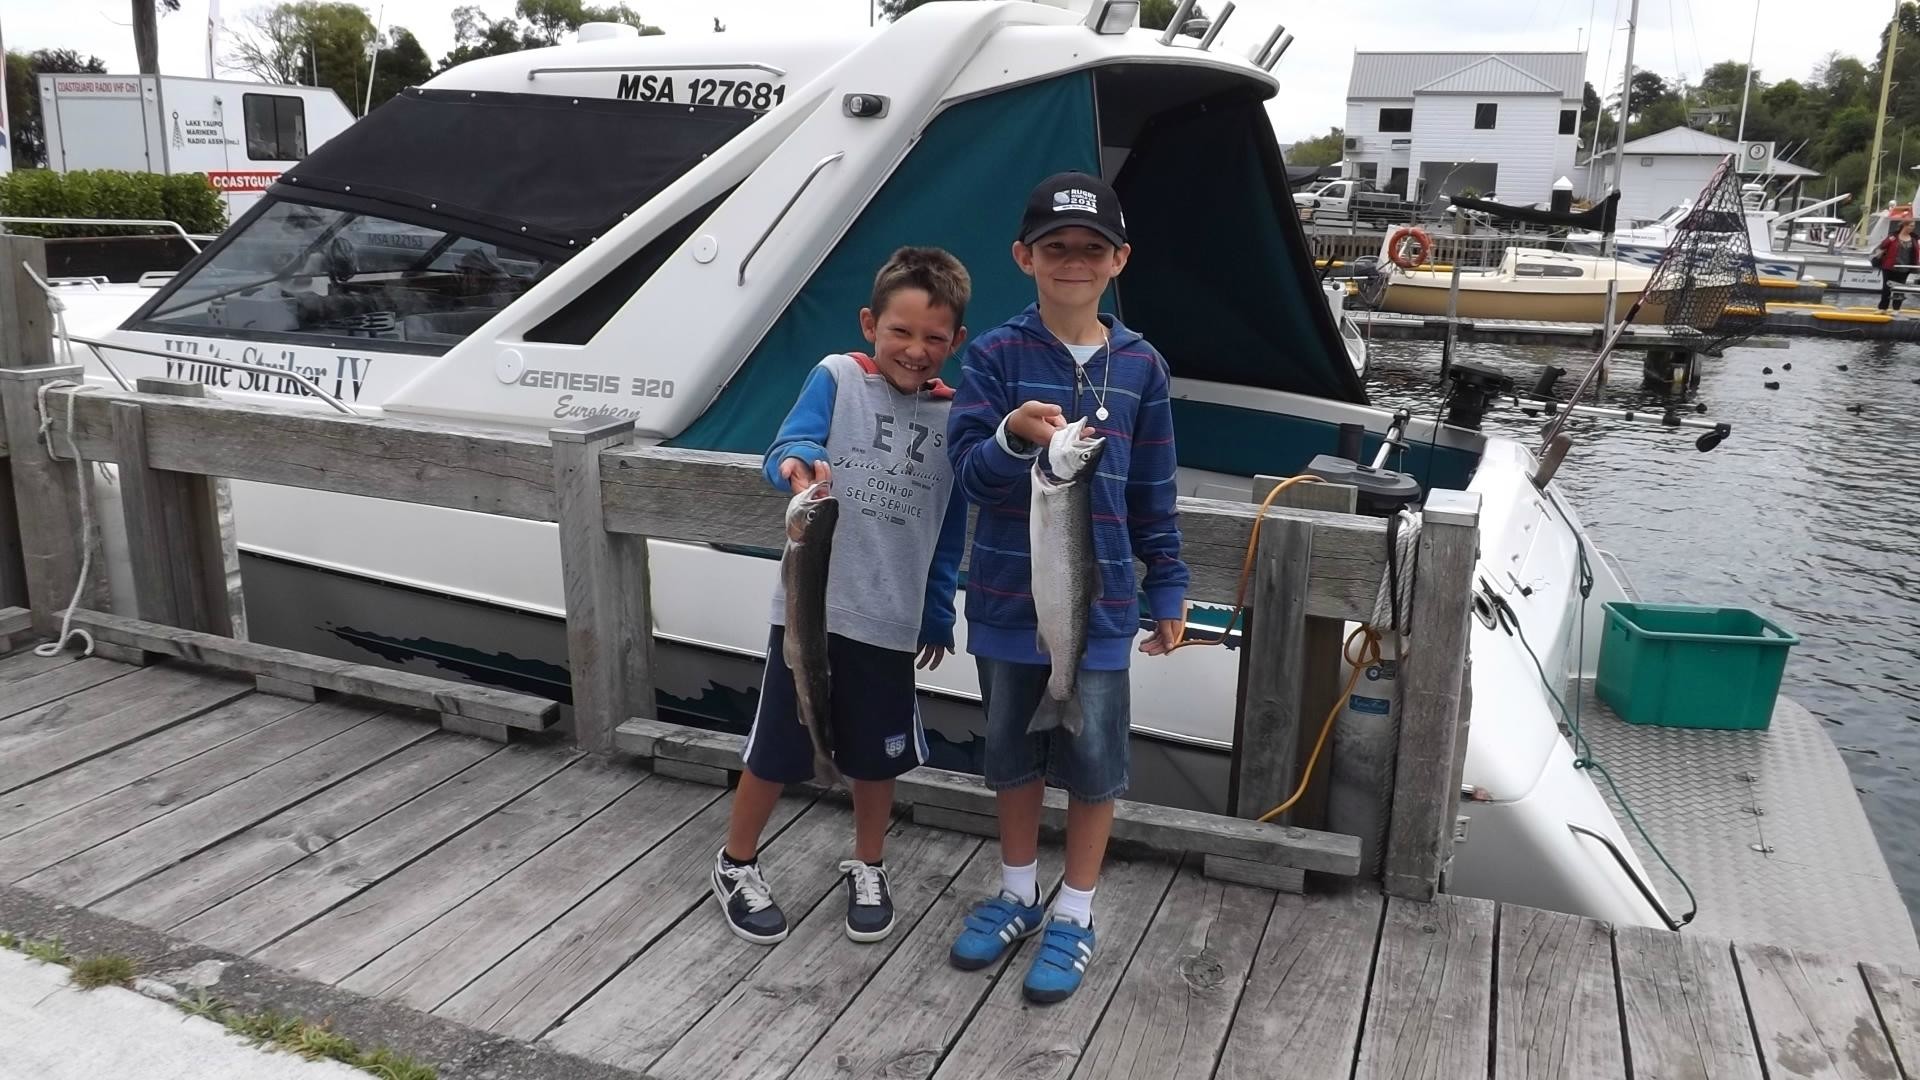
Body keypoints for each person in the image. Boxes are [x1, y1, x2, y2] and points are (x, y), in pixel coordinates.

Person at [944, 172, 1188, 1003]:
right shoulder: (995, 356)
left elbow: (1155, 492)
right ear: (1024, 257)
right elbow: (969, 477)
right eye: (1056, 249)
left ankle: (1075, 911)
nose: (1072, 263)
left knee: (1094, 764)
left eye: (1091, 250)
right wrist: (1013, 438)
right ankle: (1017, 892)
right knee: (1011, 757)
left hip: (1107, 608)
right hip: (1012, 602)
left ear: (1119, 260)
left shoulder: (1143, 366)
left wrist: (1170, 587)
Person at [711, 247, 972, 946]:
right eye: (900, 331)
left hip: (891, 622)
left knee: (875, 757)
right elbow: (788, 442)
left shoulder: (957, 418)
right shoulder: (836, 377)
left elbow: (949, 528)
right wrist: (792, 466)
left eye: (933, 338)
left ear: (956, 343)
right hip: (810, 615)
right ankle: (736, 862)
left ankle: (868, 862)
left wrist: (939, 609)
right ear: (869, 324)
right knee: (775, 747)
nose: (916, 350)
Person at [1876, 219, 1917, 312]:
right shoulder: (1893, 236)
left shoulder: (1914, 239)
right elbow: (1882, 246)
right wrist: (1888, 241)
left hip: (1904, 268)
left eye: (1913, 226)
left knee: (1900, 289)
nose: (1913, 228)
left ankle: (1896, 309)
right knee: (1886, 288)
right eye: (1911, 225)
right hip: (1890, 266)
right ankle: (1883, 308)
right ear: (1904, 226)